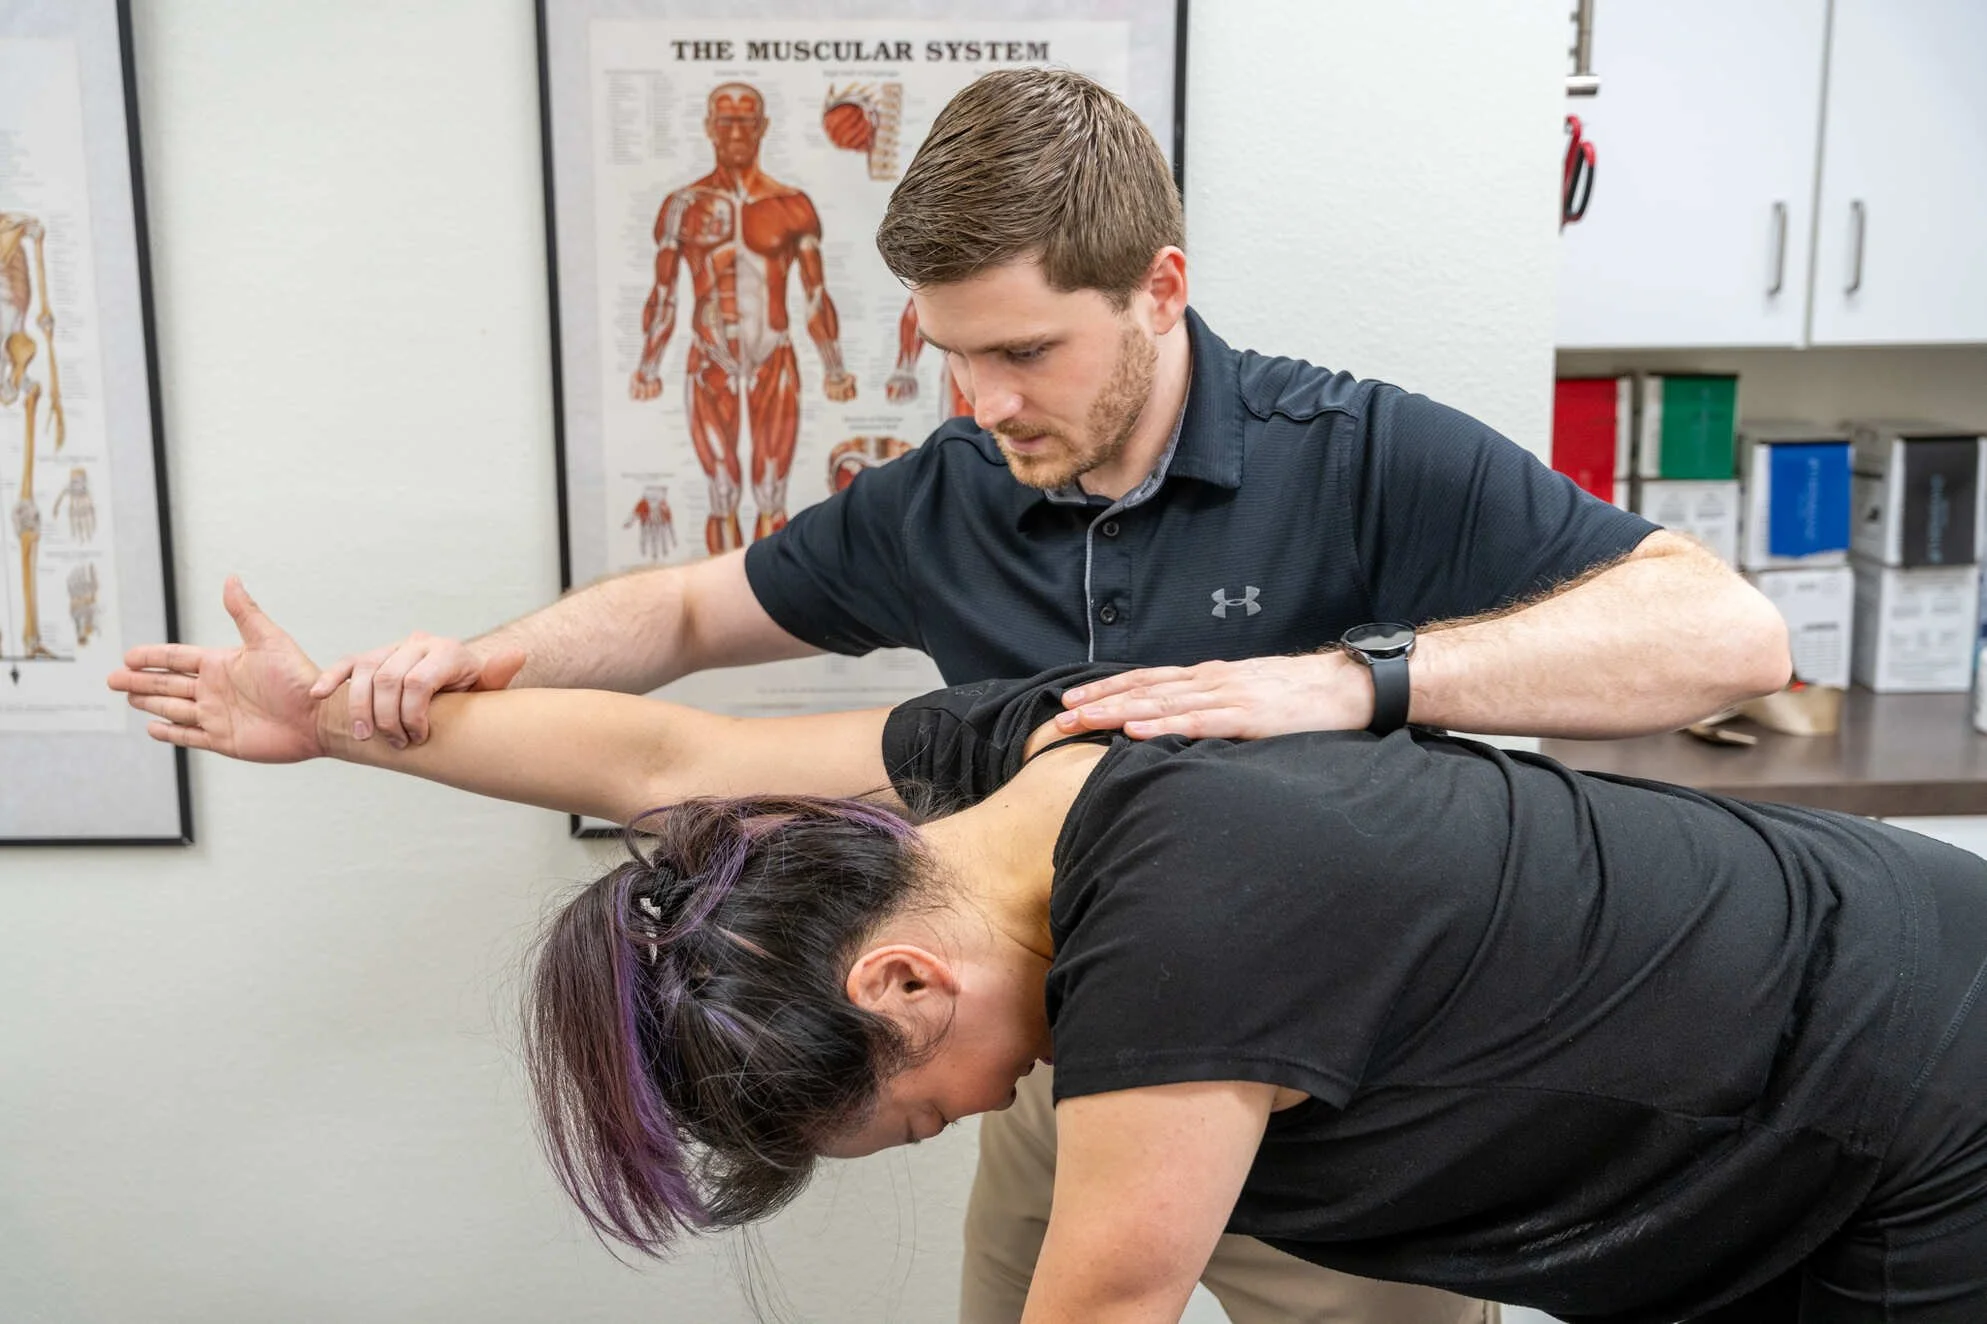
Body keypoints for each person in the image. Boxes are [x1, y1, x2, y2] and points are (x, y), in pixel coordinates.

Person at [249, 69, 1797, 1324]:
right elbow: (673, 635)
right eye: (949, 357)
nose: (981, 404)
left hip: (1340, 1097)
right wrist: (364, 703)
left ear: (1157, 289)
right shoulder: (945, 495)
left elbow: (1723, 635)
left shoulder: (1362, 452)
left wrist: (1347, 681)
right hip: (1054, 1058)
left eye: (1022, 352)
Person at [113, 581, 1987, 1324]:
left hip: (1924, 1090)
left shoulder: (1168, 938)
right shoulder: (1023, 768)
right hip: (1795, 1100)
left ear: (901, 984)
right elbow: (671, 753)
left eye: (925, 1111)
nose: (989, 1101)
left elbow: (1090, 1314)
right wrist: (347, 722)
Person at [630, 82, 858, 551]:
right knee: (722, 491)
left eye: (746, 119)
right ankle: (725, 615)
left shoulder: (791, 204)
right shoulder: (682, 206)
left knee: (772, 492)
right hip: (709, 357)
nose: (736, 130)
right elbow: (664, 293)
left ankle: (767, 613)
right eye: (726, 119)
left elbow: (816, 294)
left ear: (763, 128)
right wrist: (648, 365)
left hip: (773, 355)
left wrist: (834, 367)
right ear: (710, 127)